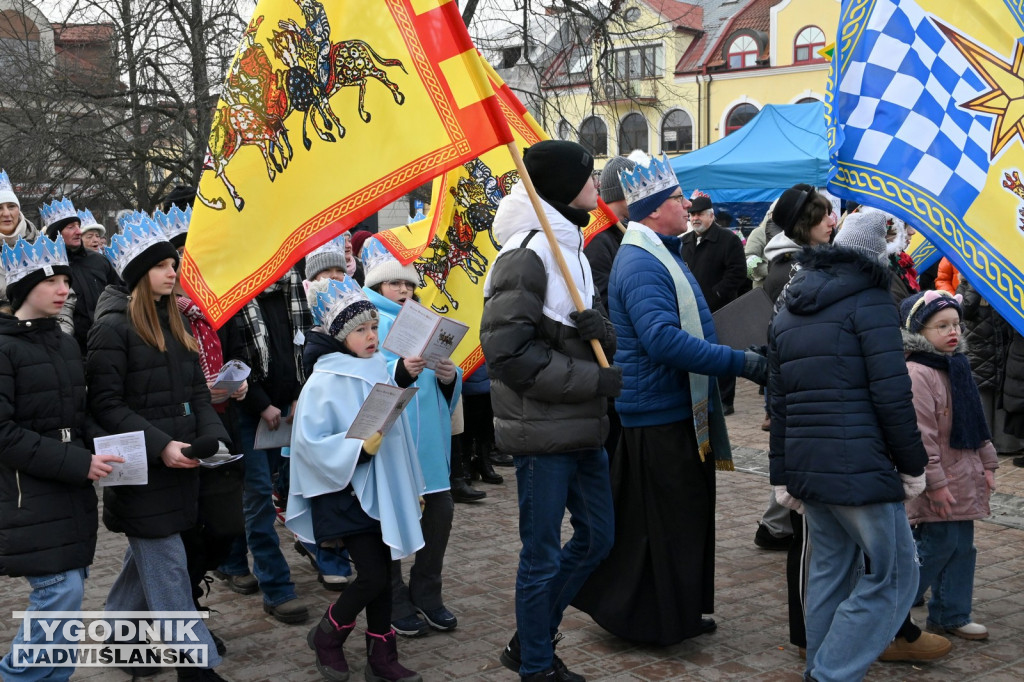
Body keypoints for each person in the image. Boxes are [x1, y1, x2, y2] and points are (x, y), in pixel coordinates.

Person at [572, 154, 766, 646]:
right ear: (656, 209)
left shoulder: (657, 249)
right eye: (679, 199)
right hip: (657, 416)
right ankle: (652, 619)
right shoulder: (641, 261)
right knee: (661, 527)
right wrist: (740, 362)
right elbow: (661, 340)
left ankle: (677, 611)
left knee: (679, 522)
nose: (687, 206)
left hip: (673, 409)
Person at [768, 209, 928, 682]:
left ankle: (823, 669)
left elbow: (779, 399)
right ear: (880, 252)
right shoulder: (872, 300)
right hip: (859, 464)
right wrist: (913, 464)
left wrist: (782, 472)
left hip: (811, 464)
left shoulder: (790, 303)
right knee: (896, 575)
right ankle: (828, 674)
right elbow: (892, 392)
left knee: (831, 572)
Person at [480, 140, 617, 682]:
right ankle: (536, 666)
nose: (597, 184)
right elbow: (508, 353)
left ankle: (528, 639)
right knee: (539, 557)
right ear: (563, 186)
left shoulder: (572, 247)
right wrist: (593, 379)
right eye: (588, 176)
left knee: (598, 539)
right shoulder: (526, 253)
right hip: (541, 433)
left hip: (583, 425)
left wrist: (598, 333)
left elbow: (582, 334)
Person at [87, 214, 229, 681]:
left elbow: (199, 393)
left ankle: (115, 638)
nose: (174, 272)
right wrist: (163, 445)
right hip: (143, 470)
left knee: (146, 558)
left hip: (182, 466)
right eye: (164, 265)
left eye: (174, 263)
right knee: (167, 565)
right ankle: (198, 667)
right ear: (139, 273)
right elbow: (106, 405)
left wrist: (214, 439)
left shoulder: (176, 325)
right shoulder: (112, 329)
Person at [288, 276, 424, 682]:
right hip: (344, 490)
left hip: (379, 486)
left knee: (384, 572)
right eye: (360, 330)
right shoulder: (323, 378)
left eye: (373, 327)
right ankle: (328, 633)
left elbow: (392, 427)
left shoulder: (372, 365)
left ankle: (382, 657)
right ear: (340, 334)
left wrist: (409, 486)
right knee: (372, 575)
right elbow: (310, 443)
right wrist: (357, 450)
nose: (370, 336)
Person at [0, 233, 121, 681]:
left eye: (67, 281)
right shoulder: (4, 347)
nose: (64, 289)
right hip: (27, 492)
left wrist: (108, 446)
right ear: (23, 287)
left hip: (72, 489)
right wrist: (76, 462)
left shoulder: (67, 343)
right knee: (59, 591)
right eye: (52, 281)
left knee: (69, 593)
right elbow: (3, 433)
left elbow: (81, 412)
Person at [360, 236, 462, 637]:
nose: (403, 290)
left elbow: (443, 392)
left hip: (431, 438)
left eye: (408, 284)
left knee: (440, 513)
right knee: (393, 518)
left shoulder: (425, 319)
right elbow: (366, 380)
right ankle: (394, 596)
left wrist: (448, 376)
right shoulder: (367, 319)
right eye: (394, 284)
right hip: (395, 439)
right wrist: (401, 370)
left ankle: (428, 591)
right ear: (376, 286)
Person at [900, 290, 998, 642]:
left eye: (955, 324)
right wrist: (936, 484)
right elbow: (923, 437)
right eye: (941, 326)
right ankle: (895, 605)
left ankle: (951, 614)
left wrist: (988, 464)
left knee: (962, 548)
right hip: (938, 483)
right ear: (918, 331)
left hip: (965, 477)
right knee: (935, 546)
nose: (952, 331)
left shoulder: (958, 366)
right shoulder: (917, 373)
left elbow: (977, 425)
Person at [215, 267, 311, 625]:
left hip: (286, 408)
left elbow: (300, 349)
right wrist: (260, 402)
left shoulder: (291, 294)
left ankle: (232, 560)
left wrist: (299, 395)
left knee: (258, 491)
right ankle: (277, 587)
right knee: (257, 495)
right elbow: (231, 358)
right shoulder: (236, 297)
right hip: (249, 412)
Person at [755, 184, 833, 550]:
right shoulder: (792, 270)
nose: (832, 221)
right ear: (804, 224)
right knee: (799, 462)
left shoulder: (802, 263)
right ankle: (779, 527)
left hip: (801, 383)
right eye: (822, 215)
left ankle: (776, 524)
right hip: (801, 385)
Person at [681, 190, 748, 414]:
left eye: (699, 214)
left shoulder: (729, 240)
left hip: (721, 309)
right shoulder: (685, 241)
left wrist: (717, 293)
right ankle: (702, 396)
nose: (694, 218)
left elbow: (738, 272)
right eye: (692, 215)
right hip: (692, 310)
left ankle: (725, 400)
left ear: (711, 215)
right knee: (698, 354)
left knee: (723, 355)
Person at [39, 197, 121, 353]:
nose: (78, 231)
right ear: (57, 233)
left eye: (78, 226)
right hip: (66, 348)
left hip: (106, 343)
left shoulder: (99, 261)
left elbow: (119, 293)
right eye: (71, 227)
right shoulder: (45, 266)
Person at [0, 170, 41, 313]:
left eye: (11, 206)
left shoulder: (42, 244)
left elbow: (64, 295)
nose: (6, 214)